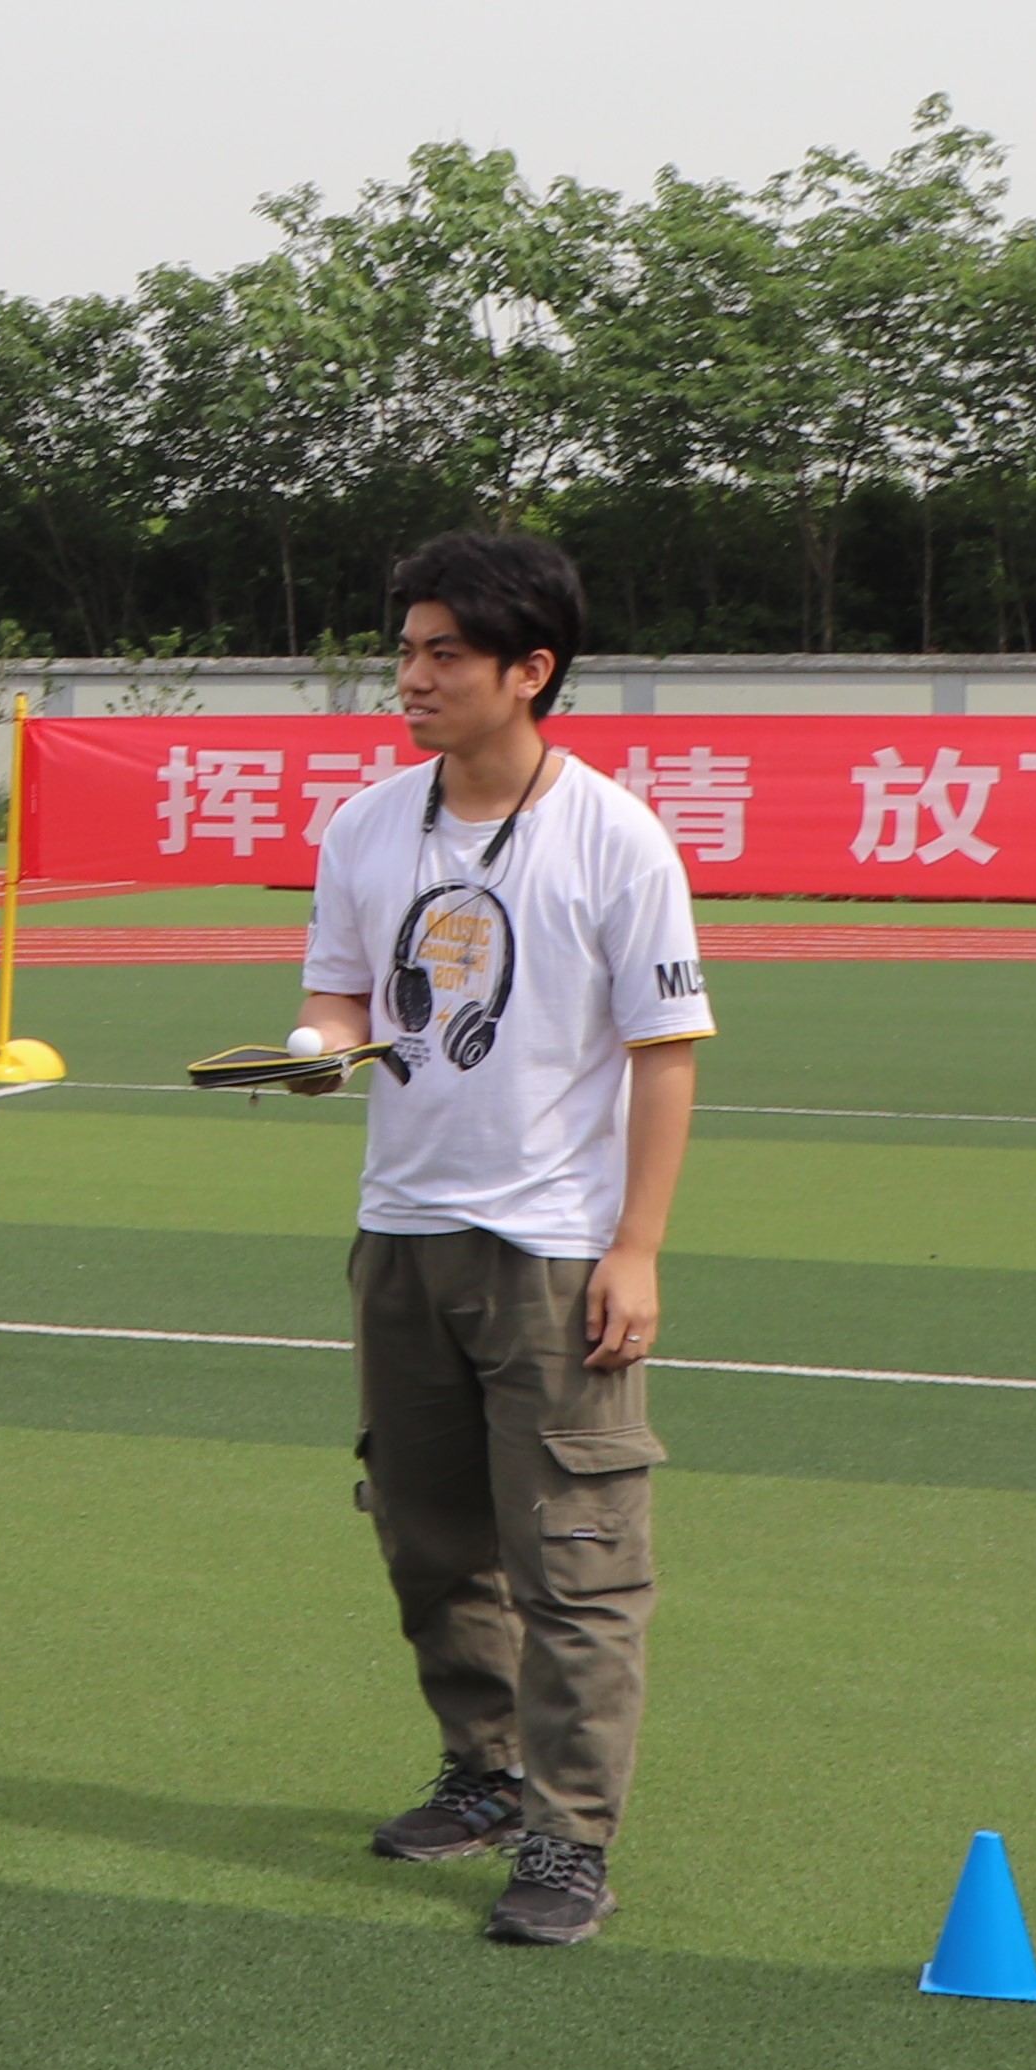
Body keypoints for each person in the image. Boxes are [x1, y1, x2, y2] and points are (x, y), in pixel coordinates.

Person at [293, 526, 713, 1948]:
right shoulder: (366, 825)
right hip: (400, 1229)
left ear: (531, 671)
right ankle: (482, 1772)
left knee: (576, 1557)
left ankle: (569, 1839)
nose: (411, 678)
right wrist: (316, 1048)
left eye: (445, 655)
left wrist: (636, 1248)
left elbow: (665, 1051)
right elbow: (343, 995)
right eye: (407, 651)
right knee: (426, 1536)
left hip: (552, 1249)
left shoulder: (615, 835)